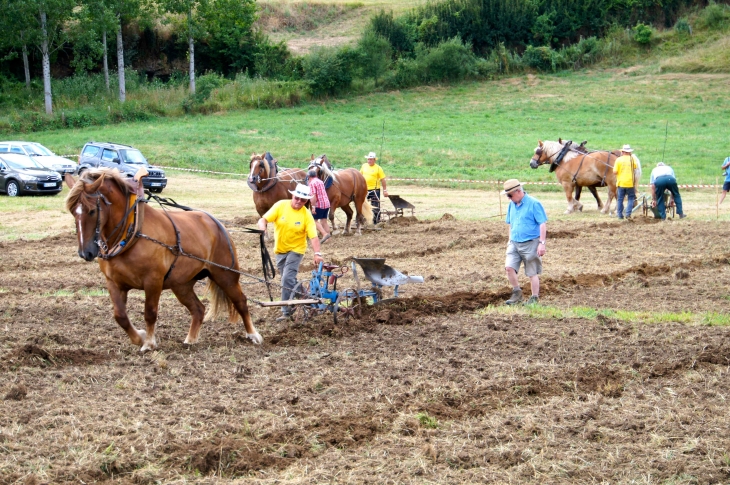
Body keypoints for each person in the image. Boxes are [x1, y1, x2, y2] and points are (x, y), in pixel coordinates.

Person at [258, 184, 324, 321]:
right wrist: (263, 228)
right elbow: (263, 219)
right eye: (297, 198)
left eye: (303, 200)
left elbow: (314, 237)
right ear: (292, 196)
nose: (299, 202)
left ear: (306, 201)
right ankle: (311, 300)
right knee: (290, 281)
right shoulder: (281, 205)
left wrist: (317, 253)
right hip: (280, 250)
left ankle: (286, 312)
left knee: (286, 279)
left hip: (296, 250)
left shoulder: (306, 215)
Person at [502, 179, 548, 306]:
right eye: (507, 196)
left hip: (531, 242)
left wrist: (542, 243)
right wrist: (509, 240)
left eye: (509, 195)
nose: (509, 198)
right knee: (509, 268)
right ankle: (517, 293)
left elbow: (542, 224)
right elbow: (510, 224)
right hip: (514, 242)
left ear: (518, 191)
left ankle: (534, 298)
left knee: (532, 272)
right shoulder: (512, 204)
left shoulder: (534, 203)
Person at [360, 151, 388, 224]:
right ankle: (362, 219)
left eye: (371, 159)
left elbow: (383, 180)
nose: (369, 161)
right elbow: (360, 176)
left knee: (375, 205)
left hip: (375, 190)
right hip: (364, 189)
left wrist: (385, 190)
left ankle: (376, 221)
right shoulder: (364, 166)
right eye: (368, 159)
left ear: (374, 160)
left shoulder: (378, 168)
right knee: (362, 204)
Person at [613, 144, 639, 220]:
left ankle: (620, 215)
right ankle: (628, 213)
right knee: (631, 198)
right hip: (630, 183)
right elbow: (635, 167)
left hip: (621, 183)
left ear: (623, 152)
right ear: (629, 152)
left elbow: (615, 172)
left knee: (620, 199)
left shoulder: (618, 160)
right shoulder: (632, 159)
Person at [307, 169, 331, 243]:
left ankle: (324, 234)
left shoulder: (312, 183)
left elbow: (313, 196)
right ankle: (328, 239)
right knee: (324, 221)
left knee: (314, 221)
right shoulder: (320, 181)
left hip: (319, 205)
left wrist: (313, 206)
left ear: (308, 176)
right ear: (316, 175)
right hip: (326, 203)